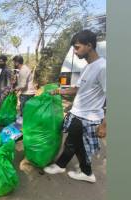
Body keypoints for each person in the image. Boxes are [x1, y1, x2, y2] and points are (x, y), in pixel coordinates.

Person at [43, 30, 106, 183]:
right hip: (78, 113)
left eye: (77, 47)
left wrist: (105, 124)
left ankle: (68, 167)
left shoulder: (103, 67)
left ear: (89, 46)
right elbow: (77, 89)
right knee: (75, 143)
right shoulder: (88, 67)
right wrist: (58, 91)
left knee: (73, 143)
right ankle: (84, 171)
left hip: (88, 116)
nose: (75, 51)